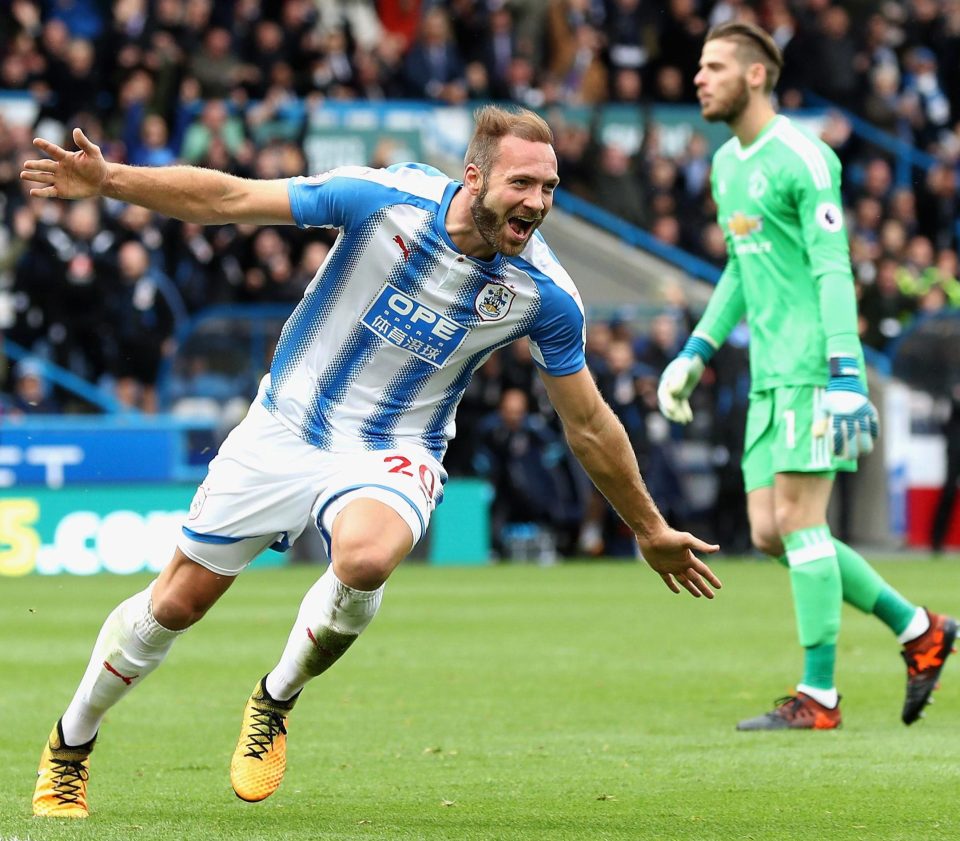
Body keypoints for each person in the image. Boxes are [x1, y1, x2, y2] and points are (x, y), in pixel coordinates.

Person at [21, 105, 722, 818]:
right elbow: (230, 198)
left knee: (365, 558)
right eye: (523, 183)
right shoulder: (384, 200)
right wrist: (112, 181)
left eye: (549, 187)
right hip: (285, 425)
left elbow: (589, 424)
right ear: (473, 176)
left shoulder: (544, 295)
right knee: (176, 603)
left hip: (397, 446)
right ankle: (71, 741)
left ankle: (275, 697)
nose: (538, 202)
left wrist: (648, 527)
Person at [657, 21, 956, 731]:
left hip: (813, 367)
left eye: (714, 66)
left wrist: (847, 369)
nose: (698, 78)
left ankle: (819, 696)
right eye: (699, 66)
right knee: (770, 531)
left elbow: (832, 267)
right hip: (769, 373)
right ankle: (920, 630)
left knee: (798, 521)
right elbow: (739, 264)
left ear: (756, 75)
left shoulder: (804, 157)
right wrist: (695, 352)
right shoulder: (729, 165)